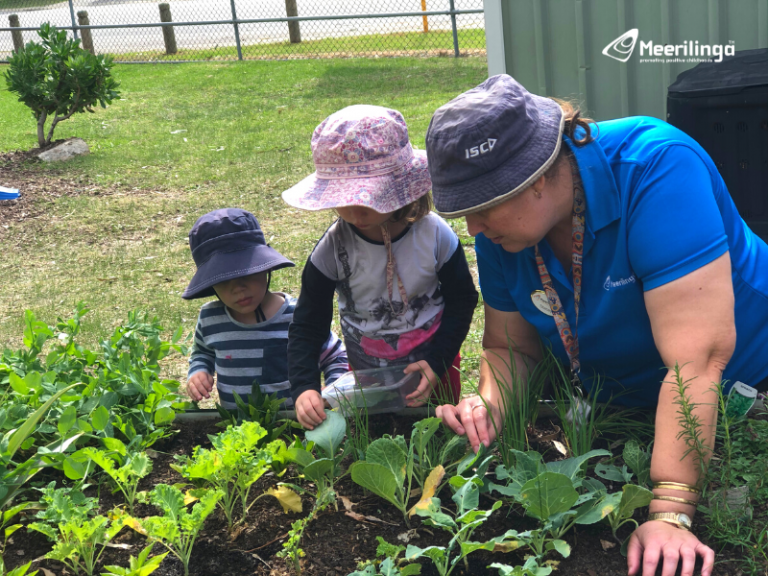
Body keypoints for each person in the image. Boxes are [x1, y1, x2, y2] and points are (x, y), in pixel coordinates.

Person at [425, 75, 768, 576]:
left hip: (745, 380)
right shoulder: (505, 234)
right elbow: (509, 348)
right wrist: (491, 405)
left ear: (535, 179)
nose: (473, 229)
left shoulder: (656, 166)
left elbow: (697, 358)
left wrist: (671, 508)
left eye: (480, 208)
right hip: (629, 400)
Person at [282, 105, 478, 430]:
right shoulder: (333, 248)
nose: (357, 210)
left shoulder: (434, 235)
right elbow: (308, 323)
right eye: (344, 198)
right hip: (368, 370)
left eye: (368, 196)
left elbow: (462, 299)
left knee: (439, 433)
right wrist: (304, 386)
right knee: (380, 435)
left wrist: (438, 360)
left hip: (434, 362)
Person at [182, 208, 348, 409]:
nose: (238, 289)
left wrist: (332, 392)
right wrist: (199, 372)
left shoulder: (297, 316)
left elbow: (336, 356)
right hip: (240, 431)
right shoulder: (211, 319)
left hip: (295, 426)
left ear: (265, 268)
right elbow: (202, 353)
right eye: (223, 281)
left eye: (246, 274)